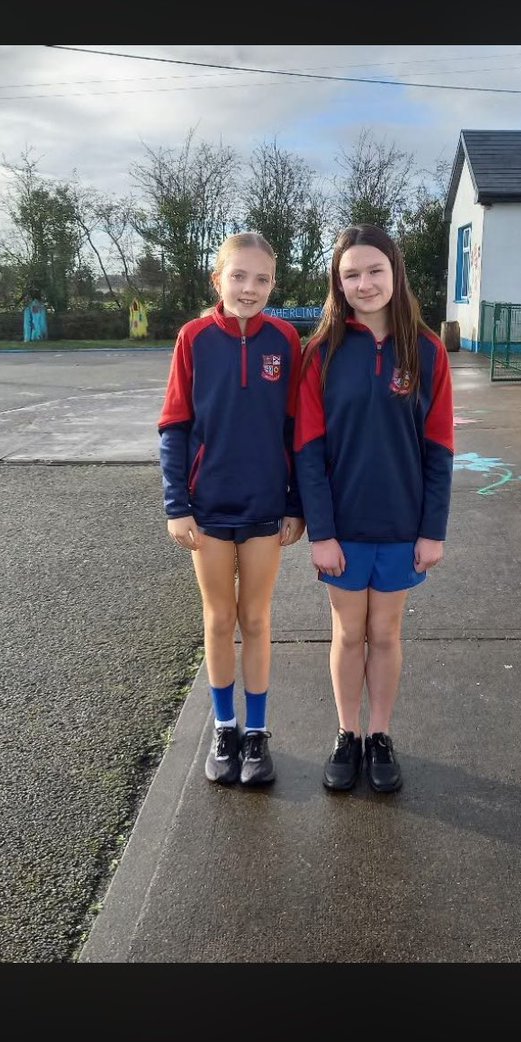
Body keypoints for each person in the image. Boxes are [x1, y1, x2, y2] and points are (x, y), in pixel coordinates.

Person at [294, 223, 454, 793]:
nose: (364, 284)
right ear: (338, 284)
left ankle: (380, 735)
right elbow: (308, 451)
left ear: (395, 272)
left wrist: (432, 530)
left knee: (385, 634)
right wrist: (321, 533)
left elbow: (439, 448)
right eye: (351, 274)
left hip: (403, 526)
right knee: (347, 633)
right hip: (343, 529)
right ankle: (348, 734)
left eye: (374, 270)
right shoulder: (321, 354)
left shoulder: (427, 350)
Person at [158, 232, 305, 788]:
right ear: (217, 279)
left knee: (256, 619)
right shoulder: (194, 338)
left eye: (262, 279)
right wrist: (178, 505)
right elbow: (175, 425)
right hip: (209, 509)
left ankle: (258, 733)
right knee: (219, 619)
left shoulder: (285, 340)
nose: (249, 288)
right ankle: (225, 727)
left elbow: (295, 429)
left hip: (265, 507)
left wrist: (295, 503)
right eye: (238, 276)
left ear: (273, 284)